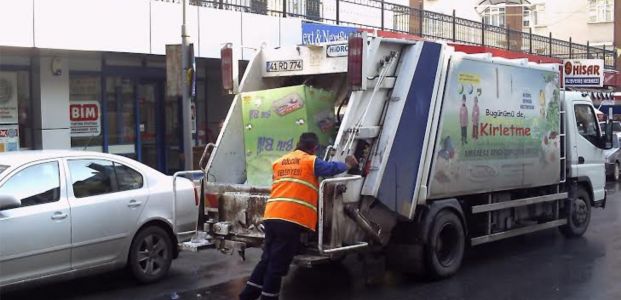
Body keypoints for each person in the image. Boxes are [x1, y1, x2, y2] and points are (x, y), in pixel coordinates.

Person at [239, 132, 358, 300]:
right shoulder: (310, 161)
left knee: (267, 259)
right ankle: (268, 297)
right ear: (314, 148)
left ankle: (247, 295)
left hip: (272, 215)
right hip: (290, 219)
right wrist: (347, 164)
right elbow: (330, 169)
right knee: (277, 265)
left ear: (298, 143)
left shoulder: (280, 162)